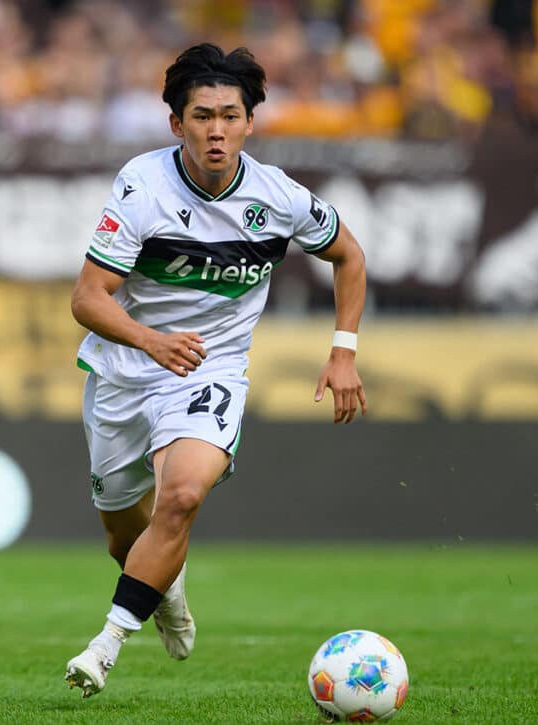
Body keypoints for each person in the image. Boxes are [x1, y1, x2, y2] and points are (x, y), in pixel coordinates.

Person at [65, 42, 368, 698]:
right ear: (177, 124)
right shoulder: (142, 188)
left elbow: (349, 254)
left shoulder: (277, 198)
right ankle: (163, 583)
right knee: (125, 531)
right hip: (126, 366)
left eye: (230, 115)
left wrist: (343, 350)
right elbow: (87, 298)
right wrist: (150, 340)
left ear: (250, 123)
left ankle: (106, 644)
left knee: (181, 494)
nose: (217, 129)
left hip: (212, 367)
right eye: (202, 116)